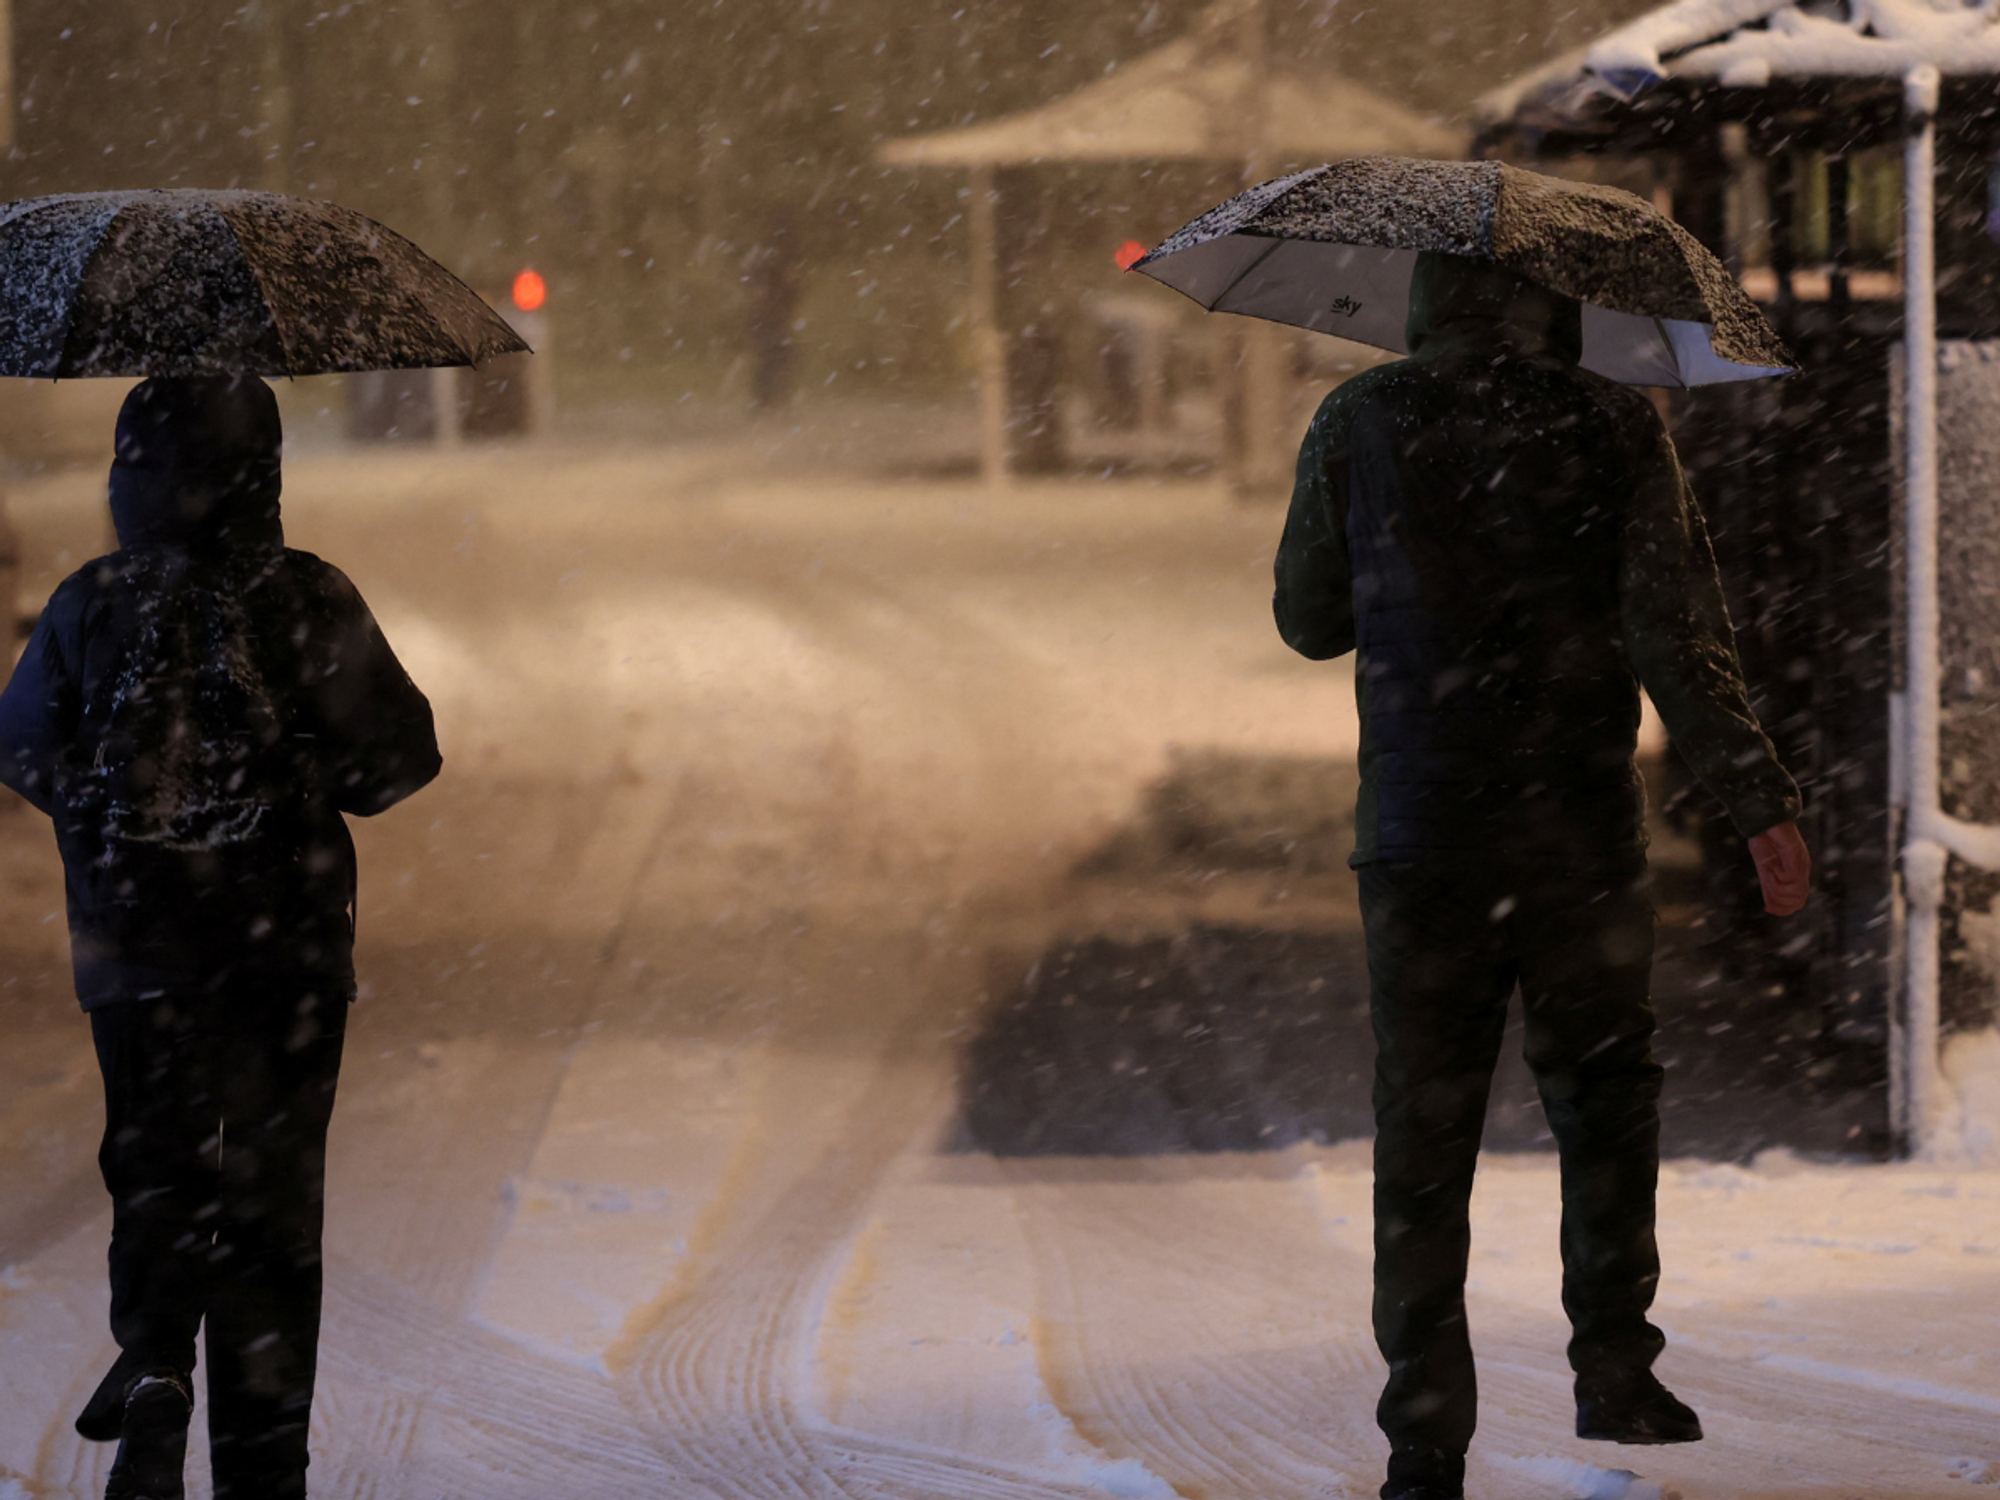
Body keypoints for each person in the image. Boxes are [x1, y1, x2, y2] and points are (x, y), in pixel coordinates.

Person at [1273, 253, 1812, 1500]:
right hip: (1574, 832)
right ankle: (1613, 1367)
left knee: (1422, 1130)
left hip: (1418, 830)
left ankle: (1421, 1438)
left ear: (1421, 298)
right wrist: (1757, 803)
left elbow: (1307, 620)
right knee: (1607, 1101)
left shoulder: (1359, 418)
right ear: (1559, 303)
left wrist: (1402, 558)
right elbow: (1674, 630)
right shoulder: (1611, 421)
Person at [0, 376, 441, 1500]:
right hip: (283, 953)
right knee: (271, 1206)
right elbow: (392, 766)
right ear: (270, 474)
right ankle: (262, 1466)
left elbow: (23, 753)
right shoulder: (306, 597)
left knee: (154, 1171)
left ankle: (154, 1367)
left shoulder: (90, 601)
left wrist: (128, 828)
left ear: (126, 477)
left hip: (136, 954)